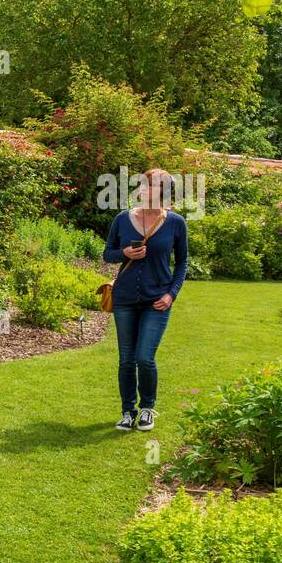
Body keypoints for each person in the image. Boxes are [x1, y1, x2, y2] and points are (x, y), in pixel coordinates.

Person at [102, 169, 189, 432]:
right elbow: (108, 254)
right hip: (125, 299)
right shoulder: (123, 219)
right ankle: (128, 411)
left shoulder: (175, 223)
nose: (140, 188)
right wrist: (124, 252)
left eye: (147, 185)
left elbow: (183, 262)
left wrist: (171, 294)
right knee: (126, 359)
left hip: (156, 301)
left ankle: (148, 408)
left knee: (144, 358)